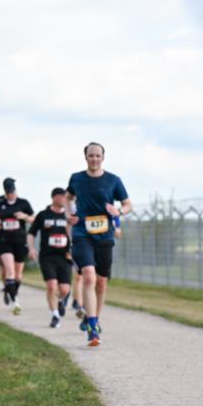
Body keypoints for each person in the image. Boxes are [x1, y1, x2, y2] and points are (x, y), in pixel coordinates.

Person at [66, 142, 131, 346]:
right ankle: (93, 329)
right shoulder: (76, 178)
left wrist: (119, 211)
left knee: (101, 282)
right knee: (88, 276)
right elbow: (68, 197)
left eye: (98, 156)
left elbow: (128, 204)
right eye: (91, 155)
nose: (94, 159)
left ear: (103, 157)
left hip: (104, 236)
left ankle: (93, 316)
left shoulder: (113, 180)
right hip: (82, 234)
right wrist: (69, 215)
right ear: (85, 157)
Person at [0, 178, 34, 314]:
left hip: (20, 241)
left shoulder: (23, 203)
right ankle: (15, 302)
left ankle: (10, 291)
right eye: (8, 192)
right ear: (4, 192)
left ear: (15, 190)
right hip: (4, 240)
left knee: (18, 275)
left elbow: (34, 218)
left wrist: (24, 217)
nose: (10, 195)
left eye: (12, 192)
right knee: (9, 270)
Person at [28, 188, 73, 328]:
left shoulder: (68, 216)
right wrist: (31, 248)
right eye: (61, 197)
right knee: (51, 285)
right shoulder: (43, 215)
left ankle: (60, 301)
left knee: (64, 290)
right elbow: (31, 233)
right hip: (48, 256)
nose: (63, 199)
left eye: (65, 197)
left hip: (64, 256)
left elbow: (74, 234)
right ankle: (55, 315)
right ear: (54, 197)